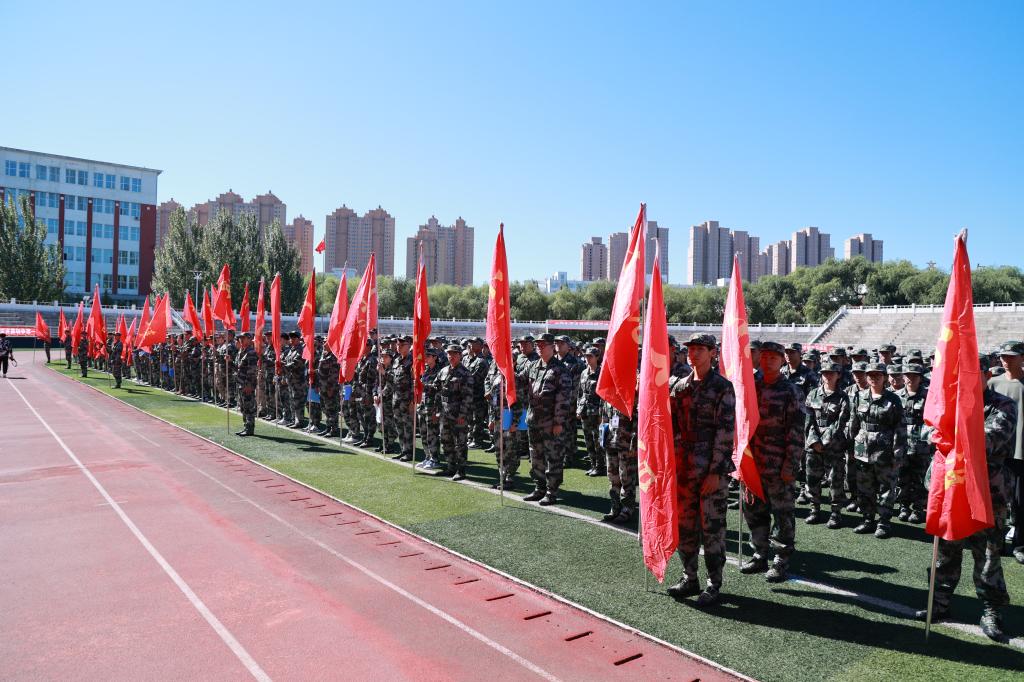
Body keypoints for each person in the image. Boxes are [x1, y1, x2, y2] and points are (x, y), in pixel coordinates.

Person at [916, 355, 1017, 643]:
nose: (966, 380)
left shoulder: (1002, 405)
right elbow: (927, 430)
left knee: (987, 555)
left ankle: (991, 610)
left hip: (986, 493)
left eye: (974, 373)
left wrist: (952, 431)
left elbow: (985, 442)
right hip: (951, 488)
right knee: (946, 550)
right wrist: (942, 428)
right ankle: (938, 602)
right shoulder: (947, 404)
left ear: (986, 375)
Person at [666, 333, 736, 607]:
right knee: (685, 526)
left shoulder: (722, 387)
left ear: (712, 353)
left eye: (700, 349)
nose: (693, 354)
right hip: (684, 468)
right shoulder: (679, 386)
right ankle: (689, 577)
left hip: (709, 470)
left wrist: (716, 472)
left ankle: (713, 583)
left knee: (712, 529)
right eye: (690, 349)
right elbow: (669, 424)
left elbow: (725, 432)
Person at [740, 341, 804, 582]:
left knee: (782, 514)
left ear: (781, 361)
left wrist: (791, 465)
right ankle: (759, 554)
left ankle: (781, 559)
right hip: (752, 463)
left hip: (778, 465)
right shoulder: (751, 387)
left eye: (773, 358)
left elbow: (796, 432)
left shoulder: (790, 391)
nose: (768, 361)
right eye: (764, 357)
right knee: (753, 511)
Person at [848, 362, 906, 539]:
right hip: (862, 449)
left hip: (884, 450)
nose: (874, 378)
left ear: (885, 377)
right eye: (870, 375)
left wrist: (898, 452)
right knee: (864, 487)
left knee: (886, 488)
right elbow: (853, 423)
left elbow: (900, 427)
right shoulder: (859, 396)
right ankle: (868, 519)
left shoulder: (893, 399)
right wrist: (850, 447)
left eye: (878, 375)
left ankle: (884, 522)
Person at [523, 334, 573, 506]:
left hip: (551, 422)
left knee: (553, 457)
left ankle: (552, 491)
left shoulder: (560, 369)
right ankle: (539, 488)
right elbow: (520, 380)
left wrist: (558, 422)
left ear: (552, 347)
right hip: (533, 420)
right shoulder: (533, 366)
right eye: (537, 345)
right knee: (535, 455)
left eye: (543, 345)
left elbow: (563, 398)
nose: (539, 347)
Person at [988, 340, 1024, 564]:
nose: (1006, 360)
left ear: (1022, 357)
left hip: (1021, 451)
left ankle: (1019, 544)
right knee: (997, 501)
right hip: (998, 452)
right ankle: (996, 542)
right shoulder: (993, 383)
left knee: (1020, 503)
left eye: (1011, 356)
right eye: (1003, 356)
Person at [803, 362, 851, 528]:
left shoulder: (843, 397)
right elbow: (808, 421)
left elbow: (841, 423)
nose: (828, 376)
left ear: (838, 375)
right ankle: (814, 509)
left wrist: (824, 442)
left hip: (834, 446)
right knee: (812, 479)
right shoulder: (813, 394)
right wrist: (814, 441)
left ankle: (835, 513)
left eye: (831, 373)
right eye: (825, 373)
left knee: (835, 481)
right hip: (813, 445)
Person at [895, 363, 931, 524]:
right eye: (908, 375)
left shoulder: (928, 396)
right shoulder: (896, 396)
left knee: (919, 478)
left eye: (914, 376)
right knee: (902, 476)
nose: (911, 379)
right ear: (903, 377)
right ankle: (904, 507)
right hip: (902, 443)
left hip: (921, 445)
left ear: (920, 378)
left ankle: (918, 509)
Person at [437, 345, 474, 480]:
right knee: (446, 441)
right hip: (445, 413)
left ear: (460, 355)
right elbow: (437, 389)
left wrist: (462, 415)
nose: (451, 356)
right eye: (449, 354)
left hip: (458, 415)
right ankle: (450, 467)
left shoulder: (465, 373)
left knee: (460, 443)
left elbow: (468, 397)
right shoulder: (443, 371)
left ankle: (461, 470)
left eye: (454, 354)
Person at [577, 347, 606, 477]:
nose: (587, 358)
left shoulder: (601, 373)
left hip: (596, 412)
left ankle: (600, 466)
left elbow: (604, 396)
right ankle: (593, 464)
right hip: (585, 411)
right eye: (586, 356)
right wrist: (578, 408)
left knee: (597, 440)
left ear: (597, 357)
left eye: (590, 356)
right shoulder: (584, 372)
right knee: (588, 439)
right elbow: (580, 393)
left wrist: (602, 414)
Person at [234, 333, 259, 437]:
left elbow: (252, 370)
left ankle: (249, 428)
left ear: (249, 339)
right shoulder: (241, 351)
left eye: (243, 338)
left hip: (247, 384)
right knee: (243, 407)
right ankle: (246, 426)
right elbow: (238, 367)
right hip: (241, 383)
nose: (241, 340)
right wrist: (229, 361)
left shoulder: (251, 352)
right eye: (240, 338)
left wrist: (249, 384)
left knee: (249, 407)